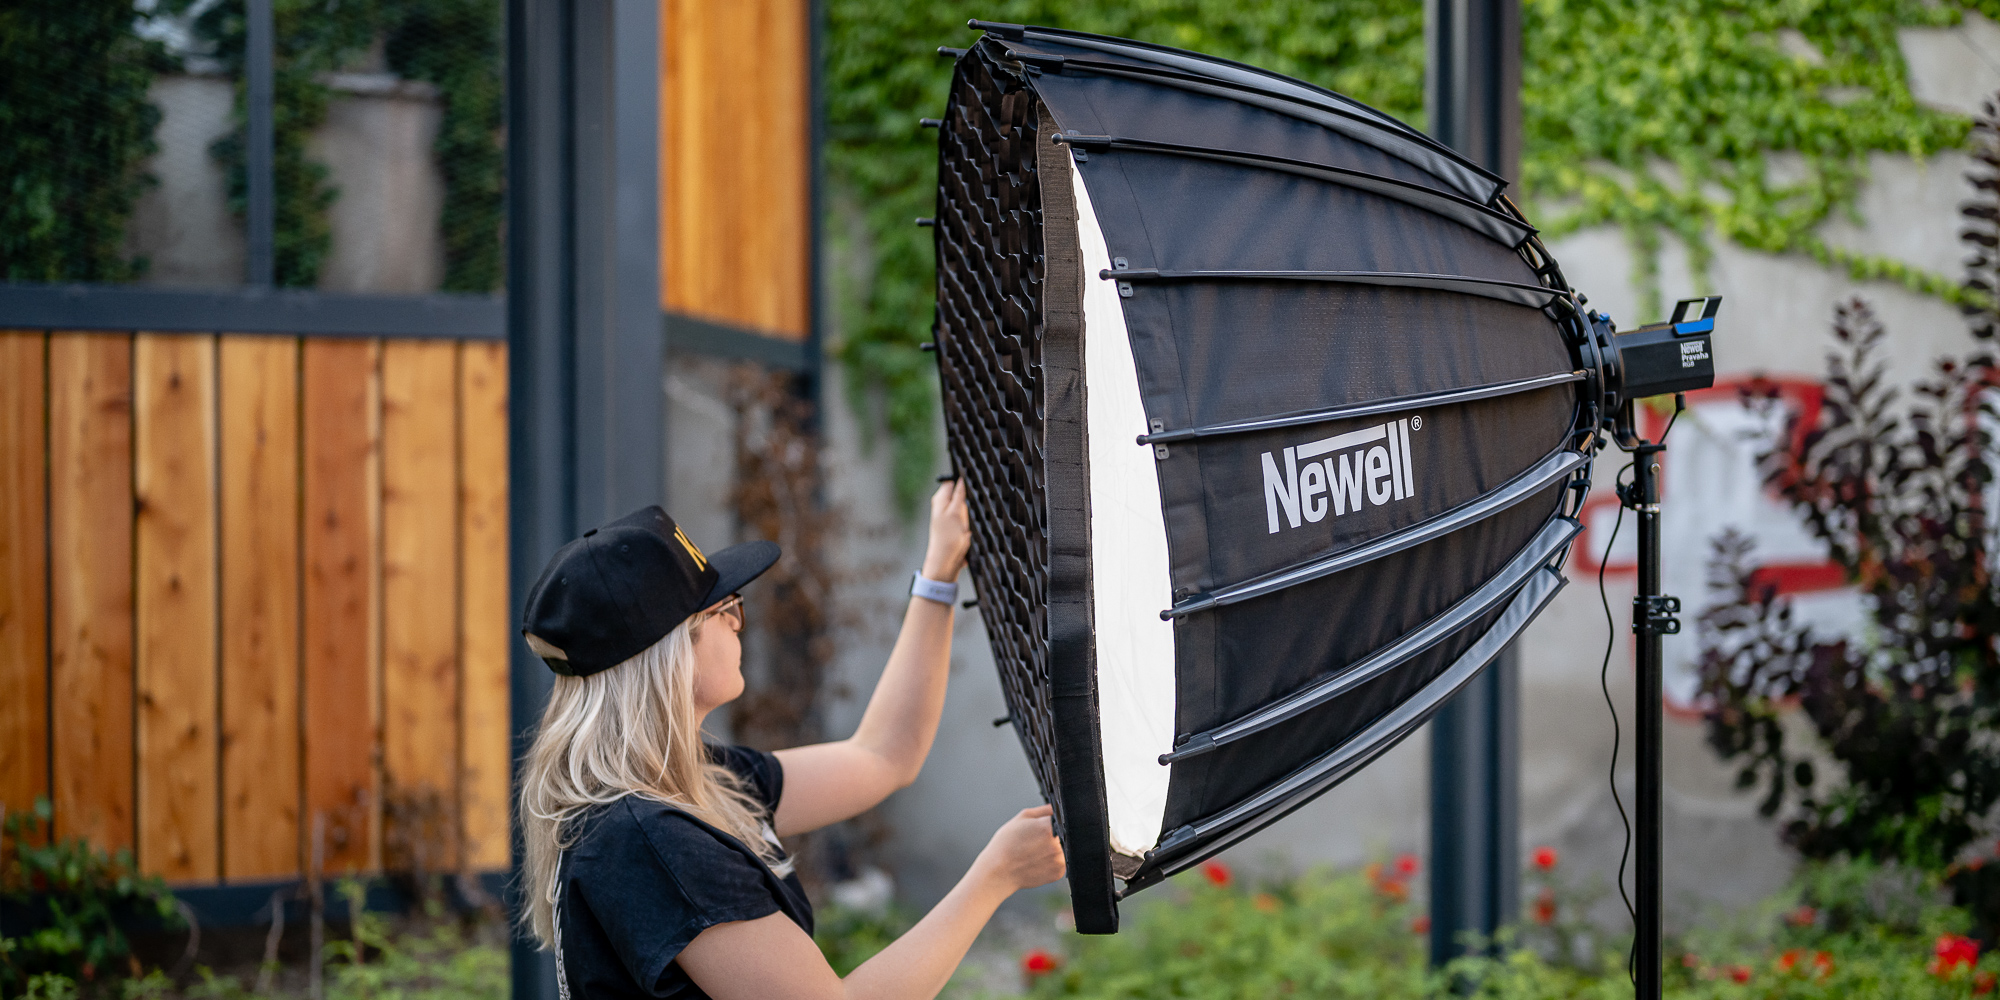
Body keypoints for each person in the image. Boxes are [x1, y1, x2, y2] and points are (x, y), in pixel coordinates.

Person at [517, 481, 1065, 1000]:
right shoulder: (652, 840)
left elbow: (885, 755)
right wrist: (995, 877)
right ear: (670, 653)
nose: (739, 622)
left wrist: (938, 575)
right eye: (723, 608)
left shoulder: (692, 784)